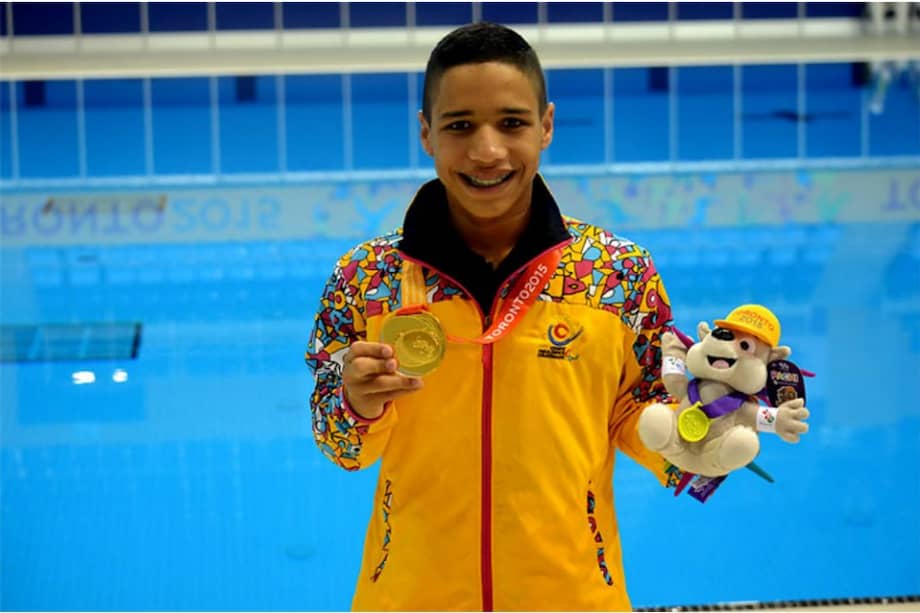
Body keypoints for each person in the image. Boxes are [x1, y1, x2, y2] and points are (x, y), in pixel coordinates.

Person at [305, 22, 679, 611]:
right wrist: (354, 402)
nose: (487, 151)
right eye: (459, 126)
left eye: (512, 123)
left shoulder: (614, 273)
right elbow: (341, 446)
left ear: (547, 125)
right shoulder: (367, 278)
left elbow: (646, 409)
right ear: (426, 132)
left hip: (573, 594)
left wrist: (700, 439)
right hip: (410, 595)